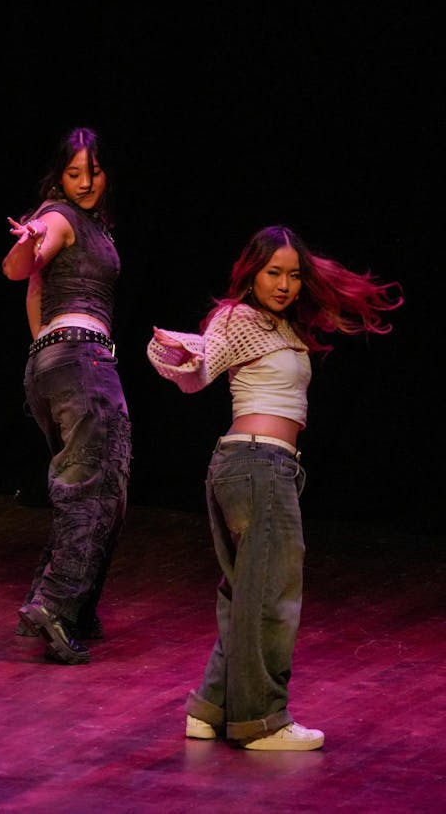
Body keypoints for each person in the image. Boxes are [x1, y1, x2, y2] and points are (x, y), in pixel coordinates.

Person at [147, 225, 402, 750]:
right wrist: (182, 349)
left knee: (247, 594)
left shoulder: (279, 326)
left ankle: (211, 707)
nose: (284, 284)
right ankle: (262, 721)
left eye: (292, 275)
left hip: (255, 466)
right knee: (273, 598)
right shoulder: (239, 318)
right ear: (252, 273)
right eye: (273, 273)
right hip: (257, 464)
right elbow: (204, 362)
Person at [2, 127, 132, 666]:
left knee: (103, 487)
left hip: (57, 362)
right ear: (59, 176)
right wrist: (31, 237)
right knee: (93, 488)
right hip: (82, 361)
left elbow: (36, 291)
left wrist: (43, 355)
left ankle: (66, 602)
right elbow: (18, 269)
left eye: (93, 172)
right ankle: (57, 605)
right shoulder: (58, 215)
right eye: (74, 173)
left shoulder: (92, 225)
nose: (84, 183)